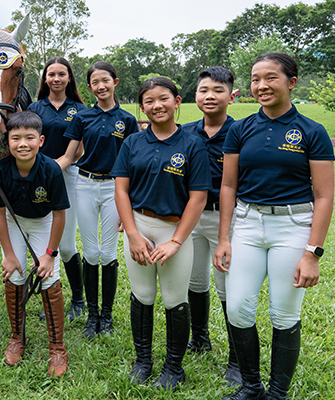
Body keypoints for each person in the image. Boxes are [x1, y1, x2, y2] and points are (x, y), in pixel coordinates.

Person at [214, 53, 334, 400]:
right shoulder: (240, 129)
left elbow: (324, 196)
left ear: (291, 82)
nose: (261, 86)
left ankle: (277, 394)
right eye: (255, 79)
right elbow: (228, 186)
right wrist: (225, 237)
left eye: (271, 78)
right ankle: (251, 388)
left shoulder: (312, 131)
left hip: (293, 227)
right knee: (237, 307)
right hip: (248, 225)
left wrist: (312, 253)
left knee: (283, 313)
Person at [112, 76, 208, 390]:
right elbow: (121, 190)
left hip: (173, 230)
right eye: (149, 101)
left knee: (174, 299)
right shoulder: (133, 142)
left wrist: (177, 241)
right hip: (139, 226)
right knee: (142, 295)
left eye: (164, 98)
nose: (157, 106)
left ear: (177, 101)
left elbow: (198, 197)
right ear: (142, 107)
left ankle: (174, 367)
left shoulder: (192, 144)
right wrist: (132, 233)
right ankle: (143, 361)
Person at [58, 61, 139, 338]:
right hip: (85, 184)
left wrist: (132, 202)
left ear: (115, 82)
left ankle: (107, 315)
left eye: (105, 80)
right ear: (89, 87)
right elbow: (69, 157)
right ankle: (92, 315)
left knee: (108, 253)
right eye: (95, 82)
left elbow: (133, 163)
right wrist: (39, 171)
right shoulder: (82, 117)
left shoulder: (127, 120)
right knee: (91, 252)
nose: (101, 86)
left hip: (114, 189)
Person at [0, 111, 70, 377]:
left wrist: (49, 254)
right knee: (14, 274)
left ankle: (57, 347)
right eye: (16, 138)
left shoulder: (51, 169)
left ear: (41, 140)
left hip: (43, 222)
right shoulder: (1, 169)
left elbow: (59, 215)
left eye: (29, 138)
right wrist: (9, 254)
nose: (23, 144)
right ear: (7, 141)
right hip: (14, 222)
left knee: (49, 279)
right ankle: (17, 337)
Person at [180, 66, 242, 384]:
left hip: (225, 218)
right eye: (204, 90)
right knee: (195, 280)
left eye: (218, 90)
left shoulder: (241, 132)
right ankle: (200, 338)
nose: (210, 96)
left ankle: (235, 356)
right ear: (195, 95)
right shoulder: (185, 133)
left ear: (232, 96)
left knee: (227, 286)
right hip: (191, 217)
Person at [27, 57, 87, 322]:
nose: (56, 79)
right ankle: (48, 295)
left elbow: (80, 149)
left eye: (61, 74)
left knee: (65, 244)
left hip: (67, 176)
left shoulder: (79, 109)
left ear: (69, 78)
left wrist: (58, 166)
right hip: (36, 177)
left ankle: (78, 299)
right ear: (45, 79)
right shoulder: (35, 107)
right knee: (41, 240)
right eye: (51, 74)